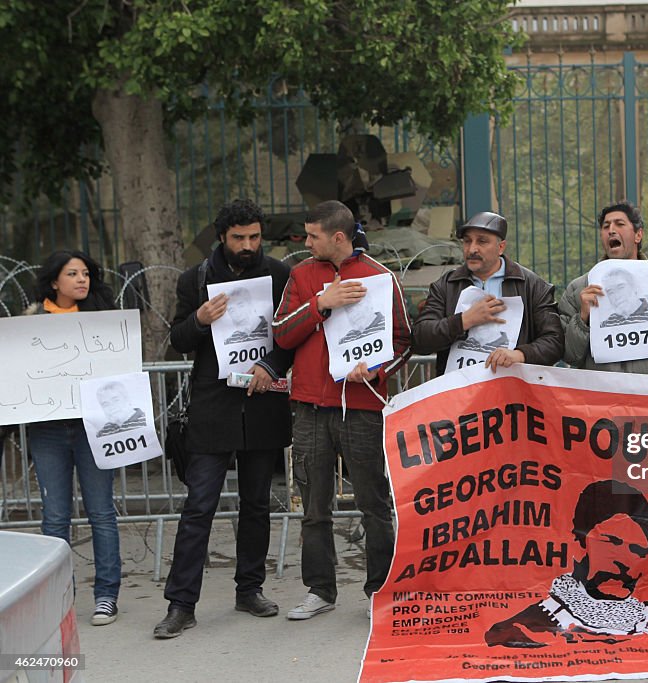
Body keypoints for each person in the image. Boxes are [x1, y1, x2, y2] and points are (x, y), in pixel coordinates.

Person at [154, 199, 295, 639]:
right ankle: (181, 603)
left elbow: (291, 334)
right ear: (221, 238)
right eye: (239, 238)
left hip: (263, 402)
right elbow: (176, 339)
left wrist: (270, 366)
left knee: (256, 504)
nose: (248, 245)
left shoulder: (278, 274)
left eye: (254, 237)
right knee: (199, 507)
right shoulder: (195, 279)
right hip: (213, 405)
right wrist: (199, 319)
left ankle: (249, 588)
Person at [273, 200, 411, 620]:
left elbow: (403, 341)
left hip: (363, 406)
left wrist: (377, 368)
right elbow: (281, 335)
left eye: (312, 235)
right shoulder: (300, 276)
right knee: (314, 504)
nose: (305, 241)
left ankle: (380, 592)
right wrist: (320, 303)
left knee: (374, 503)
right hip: (311, 408)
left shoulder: (380, 277)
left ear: (337, 236)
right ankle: (320, 590)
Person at [25, 250, 121, 626]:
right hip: (48, 429)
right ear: (54, 281)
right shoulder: (31, 321)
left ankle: (106, 595)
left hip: (93, 426)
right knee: (54, 517)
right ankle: (59, 598)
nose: (81, 280)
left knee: (101, 512)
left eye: (85, 273)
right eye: (72, 274)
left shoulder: (102, 320)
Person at [484, 480, 648, 648]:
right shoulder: (523, 627)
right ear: (579, 543)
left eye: (638, 550)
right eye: (612, 542)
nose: (625, 560)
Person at [413, 211, 563, 373]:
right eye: (467, 241)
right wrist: (462, 321)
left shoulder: (532, 286)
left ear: (501, 247)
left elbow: (554, 342)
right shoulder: (446, 285)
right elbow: (419, 340)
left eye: (482, 241)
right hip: (459, 392)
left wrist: (520, 355)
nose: (472, 249)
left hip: (512, 391)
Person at [559, 201, 648, 375]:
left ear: (638, 235)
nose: (611, 230)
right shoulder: (579, 290)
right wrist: (583, 318)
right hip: (601, 397)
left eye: (619, 224)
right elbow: (569, 355)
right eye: (605, 226)